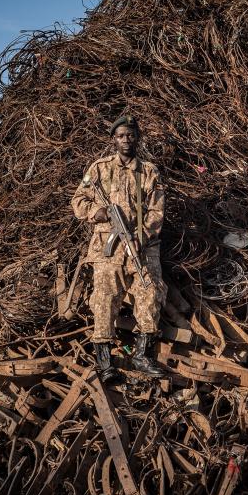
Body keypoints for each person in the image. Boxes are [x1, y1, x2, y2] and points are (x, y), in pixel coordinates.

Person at [71, 114, 167, 383]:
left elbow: (157, 210)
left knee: (151, 293)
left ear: (137, 138)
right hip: (108, 248)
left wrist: (142, 235)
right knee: (104, 299)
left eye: (131, 135)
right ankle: (105, 361)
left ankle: (142, 356)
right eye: (121, 135)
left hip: (142, 247)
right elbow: (78, 202)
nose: (126, 140)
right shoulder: (99, 169)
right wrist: (97, 212)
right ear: (114, 139)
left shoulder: (149, 171)